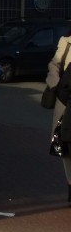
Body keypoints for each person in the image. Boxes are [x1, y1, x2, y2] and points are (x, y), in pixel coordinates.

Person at [46, 33, 71, 203]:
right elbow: (55, 64)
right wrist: (56, 85)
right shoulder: (66, 41)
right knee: (65, 144)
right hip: (67, 101)